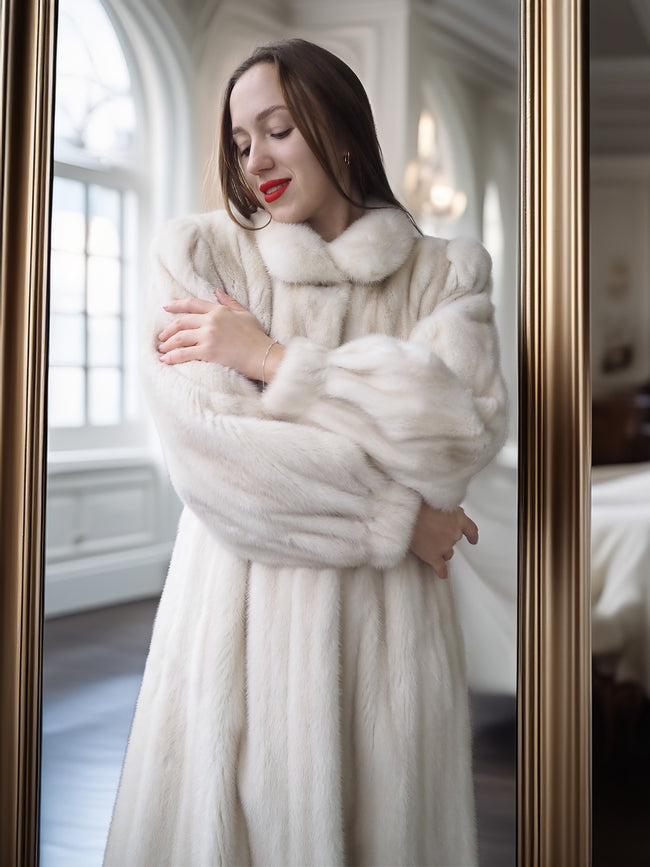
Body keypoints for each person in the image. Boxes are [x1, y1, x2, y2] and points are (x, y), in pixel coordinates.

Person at [104, 37, 507, 867]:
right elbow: (218, 464)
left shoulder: (446, 277)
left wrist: (272, 362)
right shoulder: (203, 259)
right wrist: (399, 517)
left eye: (279, 128)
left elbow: (455, 435)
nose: (257, 160)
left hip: (388, 664)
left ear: (342, 128)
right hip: (229, 650)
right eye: (242, 141)